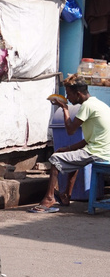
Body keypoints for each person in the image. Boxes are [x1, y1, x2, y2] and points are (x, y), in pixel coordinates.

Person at [32, 75, 110, 213]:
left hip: (98, 153)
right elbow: (90, 139)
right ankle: (66, 195)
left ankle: (49, 198)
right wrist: (68, 148)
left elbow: (70, 130)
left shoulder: (87, 106)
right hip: (102, 151)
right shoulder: (99, 104)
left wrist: (65, 109)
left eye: (68, 94)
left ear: (78, 94)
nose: (67, 98)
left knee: (55, 160)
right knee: (70, 157)